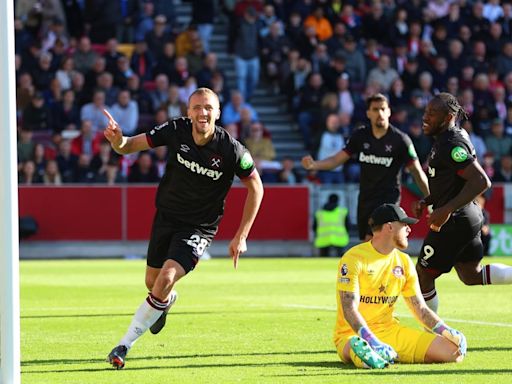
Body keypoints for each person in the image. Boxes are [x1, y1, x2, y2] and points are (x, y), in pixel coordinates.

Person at [103, 87, 264, 369]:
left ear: (218, 112)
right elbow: (128, 146)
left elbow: (256, 187)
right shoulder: (175, 129)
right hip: (166, 217)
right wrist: (118, 141)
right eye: (197, 107)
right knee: (154, 284)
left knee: (164, 279)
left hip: (199, 227)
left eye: (208, 108)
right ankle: (164, 302)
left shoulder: (232, 150)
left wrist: (241, 235)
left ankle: (123, 345)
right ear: (188, 112)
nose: (203, 113)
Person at [412, 93, 512, 314]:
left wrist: (446, 209)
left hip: (455, 221)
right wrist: (429, 200)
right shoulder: (448, 138)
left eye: (432, 113)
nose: (425, 117)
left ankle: (433, 333)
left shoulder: (452, 143)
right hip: (467, 216)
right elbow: (453, 181)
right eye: (426, 112)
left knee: (423, 274)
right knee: (470, 274)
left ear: (448, 117)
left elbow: (481, 180)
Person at [335, 203, 466, 369]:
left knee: (453, 352)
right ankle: (364, 353)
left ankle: (375, 355)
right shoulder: (354, 258)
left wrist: (446, 330)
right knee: (359, 349)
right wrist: (372, 340)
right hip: (352, 333)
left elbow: (420, 308)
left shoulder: (404, 262)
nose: (409, 230)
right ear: (389, 227)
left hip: (390, 331)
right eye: (404, 225)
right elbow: (349, 308)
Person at [302, 93, 430, 241]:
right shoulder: (360, 136)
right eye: (375, 109)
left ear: (389, 111)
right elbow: (337, 160)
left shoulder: (401, 140)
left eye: (383, 109)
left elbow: (417, 172)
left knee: (382, 242)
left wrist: (431, 200)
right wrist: (314, 164)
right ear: (368, 113)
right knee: (368, 244)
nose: (380, 113)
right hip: (366, 199)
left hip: (389, 199)